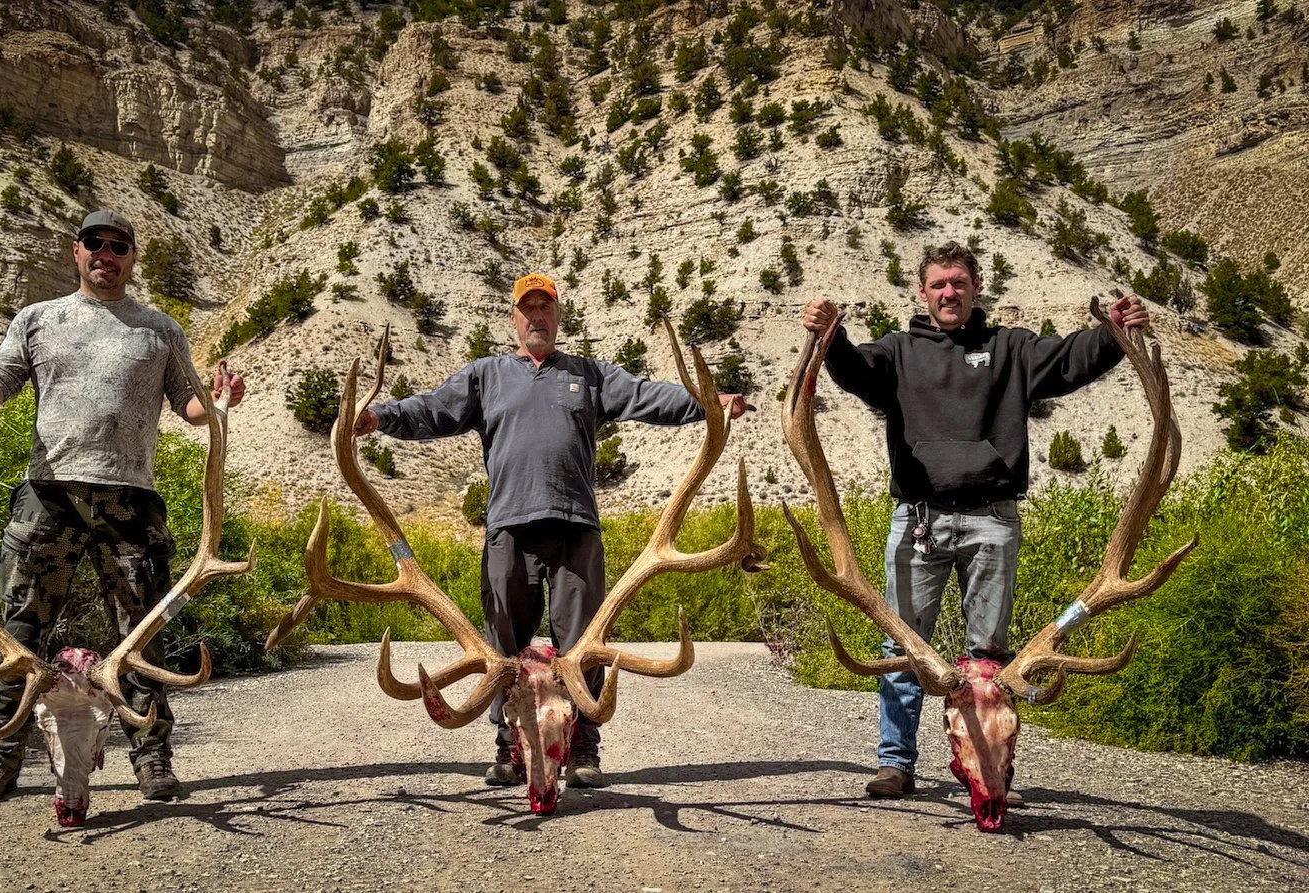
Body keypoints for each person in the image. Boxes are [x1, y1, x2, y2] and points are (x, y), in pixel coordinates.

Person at [353, 272, 747, 788]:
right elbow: (433, 408)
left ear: (558, 317)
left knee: (582, 641)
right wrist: (380, 416)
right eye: (527, 309)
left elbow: (648, 397)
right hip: (508, 527)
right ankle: (511, 747)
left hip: (574, 526)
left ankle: (583, 749)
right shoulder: (486, 376)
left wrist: (708, 402)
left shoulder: (589, 375)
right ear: (513, 318)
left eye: (546, 308)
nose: (537, 317)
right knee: (503, 644)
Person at [801, 241, 1147, 801]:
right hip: (919, 520)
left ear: (975, 288)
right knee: (903, 645)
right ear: (922, 291)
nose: (948, 293)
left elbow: (1067, 361)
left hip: (991, 519)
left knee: (989, 656)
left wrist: (1111, 333)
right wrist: (831, 336)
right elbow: (858, 372)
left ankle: (987, 768)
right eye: (938, 284)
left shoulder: (1009, 349)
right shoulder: (899, 352)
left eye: (958, 283)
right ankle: (896, 763)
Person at [0, 209, 246, 805]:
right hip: (48, 494)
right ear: (76, 251)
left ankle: (152, 759)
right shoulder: (38, 319)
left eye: (118, 245)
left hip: (131, 500)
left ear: (132, 257)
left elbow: (190, 405)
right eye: (95, 243)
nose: (106, 253)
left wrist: (221, 399)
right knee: (19, 632)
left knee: (141, 634)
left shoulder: (159, 330)